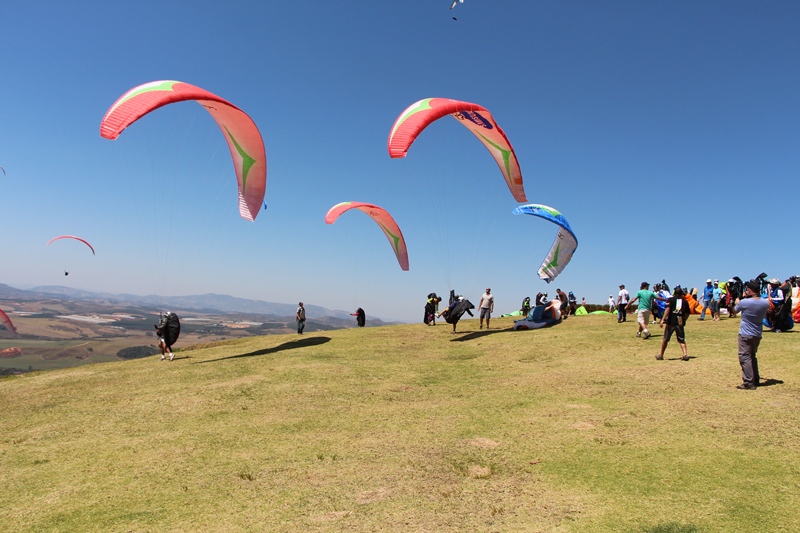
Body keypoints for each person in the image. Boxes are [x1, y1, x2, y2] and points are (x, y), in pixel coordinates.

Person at [733, 280, 771, 389]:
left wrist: (736, 302)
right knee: (752, 356)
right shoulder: (765, 303)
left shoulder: (745, 302)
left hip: (745, 333)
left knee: (744, 357)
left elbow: (734, 311)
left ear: (750, 290)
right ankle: (755, 378)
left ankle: (748, 382)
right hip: (757, 333)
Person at [657, 287, 690, 360]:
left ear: (674, 293)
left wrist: (662, 319)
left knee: (665, 339)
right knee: (681, 339)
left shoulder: (671, 300)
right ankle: (685, 354)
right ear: (681, 294)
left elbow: (667, 309)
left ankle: (661, 355)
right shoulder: (685, 301)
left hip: (670, 322)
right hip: (680, 322)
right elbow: (687, 313)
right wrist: (684, 319)